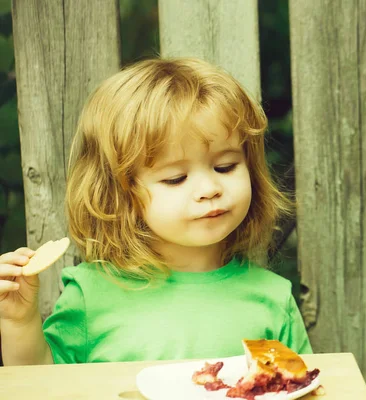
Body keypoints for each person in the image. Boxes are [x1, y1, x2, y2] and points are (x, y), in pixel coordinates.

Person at [0, 58, 311, 365]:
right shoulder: (91, 295)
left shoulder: (273, 299)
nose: (209, 188)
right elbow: (40, 386)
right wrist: (18, 324)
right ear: (121, 194)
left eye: (225, 166)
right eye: (176, 178)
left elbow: (305, 387)